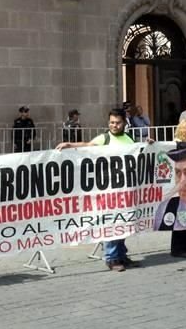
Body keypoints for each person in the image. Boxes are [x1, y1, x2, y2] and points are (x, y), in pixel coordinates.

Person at [57, 108, 141, 272]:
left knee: (124, 222)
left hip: (126, 189)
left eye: (117, 123)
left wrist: (150, 144)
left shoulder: (129, 138)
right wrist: (70, 145)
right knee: (112, 223)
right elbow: (88, 146)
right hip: (109, 189)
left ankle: (122, 255)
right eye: (111, 122)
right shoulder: (105, 138)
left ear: (124, 123)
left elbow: (140, 150)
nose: (114, 125)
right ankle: (111, 258)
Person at [154, 142, 186, 257]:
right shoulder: (166, 204)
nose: (183, 179)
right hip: (177, 198)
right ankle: (177, 248)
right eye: (178, 172)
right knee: (179, 220)